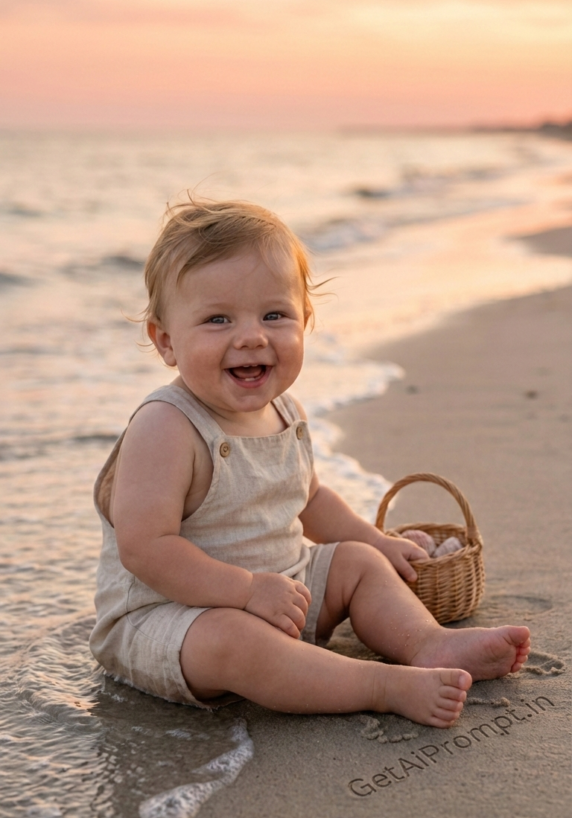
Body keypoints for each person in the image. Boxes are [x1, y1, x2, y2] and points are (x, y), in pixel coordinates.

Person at [90, 198, 530, 726]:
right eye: (217, 319)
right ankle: (378, 685)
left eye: (274, 315)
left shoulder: (286, 411)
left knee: (355, 563)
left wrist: (376, 543)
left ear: (306, 322)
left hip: (282, 592)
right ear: (166, 341)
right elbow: (147, 550)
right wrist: (246, 592)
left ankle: (428, 643)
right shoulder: (166, 426)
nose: (251, 335)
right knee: (235, 640)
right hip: (172, 623)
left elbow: (312, 500)